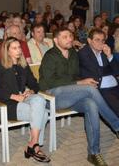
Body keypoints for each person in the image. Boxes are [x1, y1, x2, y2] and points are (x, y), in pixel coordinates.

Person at [39, 27, 119, 166]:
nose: (70, 38)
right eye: (65, 37)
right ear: (56, 40)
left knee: (91, 104)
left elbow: (78, 74)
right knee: (89, 89)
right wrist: (79, 82)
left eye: (70, 36)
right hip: (52, 95)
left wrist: (81, 81)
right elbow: (49, 81)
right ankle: (117, 126)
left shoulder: (73, 54)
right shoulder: (50, 56)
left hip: (70, 95)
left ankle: (94, 152)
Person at [0, 37, 50, 163]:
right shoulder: (0, 65)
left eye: (19, 47)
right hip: (7, 104)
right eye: (14, 48)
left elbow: (35, 84)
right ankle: (35, 146)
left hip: (24, 99)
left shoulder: (23, 65)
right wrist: (13, 96)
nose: (19, 50)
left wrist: (31, 91)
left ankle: (33, 143)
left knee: (39, 99)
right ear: (7, 51)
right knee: (44, 113)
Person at [78, 28, 119, 117]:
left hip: (115, 85)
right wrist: (108, 70)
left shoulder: (105, 52)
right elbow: (95, 72)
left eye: (103, 40)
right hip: (101, 88)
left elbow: (116, 71)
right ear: (89, 41)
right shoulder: (83, 53)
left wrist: (109, 55)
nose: (101, 43)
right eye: (97, 40)